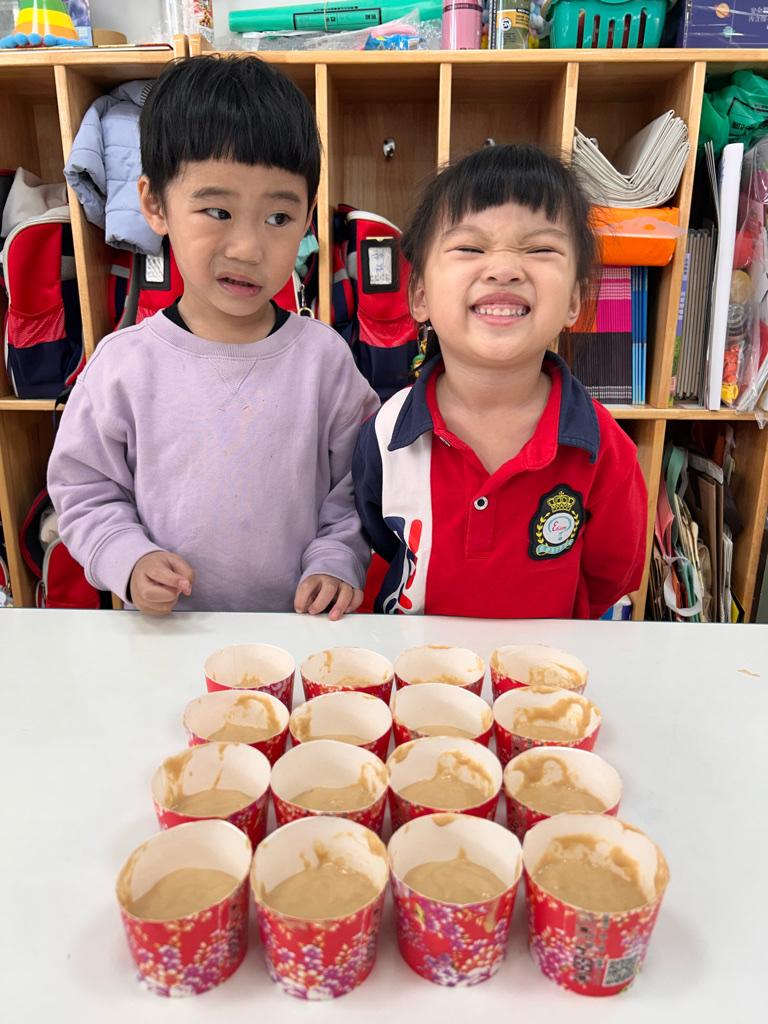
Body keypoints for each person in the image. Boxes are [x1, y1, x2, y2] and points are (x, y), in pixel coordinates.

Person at [48, 55, 378, 616]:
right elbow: (84, 490)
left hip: (297, 635)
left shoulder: (324, 359)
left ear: (307, 220)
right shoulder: (123, 365)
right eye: (217, 211)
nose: (248, 248)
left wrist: (337, 558)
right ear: (155, 204)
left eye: (278, 218)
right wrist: (128, 557)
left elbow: (358, 485)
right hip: (168, 636)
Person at [352, 144, 647, 619]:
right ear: (420, 295)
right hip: (412, 662)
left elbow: (610, 577)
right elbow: (380, 544)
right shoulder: (386, 431)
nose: (505, 270)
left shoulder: (604, 450)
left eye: (541, 249)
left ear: (574, 301)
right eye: (470, 248)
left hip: (543, 665)